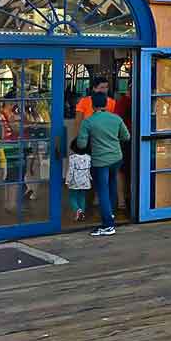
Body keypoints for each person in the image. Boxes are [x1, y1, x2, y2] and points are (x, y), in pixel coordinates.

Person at [76, 92, 130, 236]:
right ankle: (111, 215)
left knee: (102, 191)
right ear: (106, 104)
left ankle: (108, 225)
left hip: (100, 161)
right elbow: (126, 136)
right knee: (112, 186)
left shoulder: (88, 122)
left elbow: (81, 144)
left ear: (93, 105)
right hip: (116, 158)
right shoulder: (116, 118)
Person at [65, 138, 91, 223]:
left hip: (75, 180)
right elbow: (89, 169)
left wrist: (67, 181)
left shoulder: (72, 158)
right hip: (85, 180)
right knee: (82, 197)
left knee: (72, 197)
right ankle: (82, 214)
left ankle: (78, 210)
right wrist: (90, 178)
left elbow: (71, 170)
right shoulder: (88, 157)